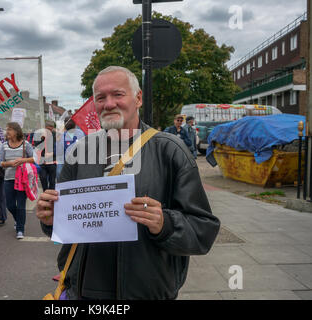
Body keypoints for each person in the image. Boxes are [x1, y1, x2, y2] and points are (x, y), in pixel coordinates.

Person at [36, 66, 220, 300]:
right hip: (82, 290)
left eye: (118, 94)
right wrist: (51, 219)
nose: (109, 103)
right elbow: (63, 225)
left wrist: (165, 223)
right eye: (100, 98)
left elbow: (203, 230)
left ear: (138, 98)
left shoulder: (170, 150)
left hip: (146, 291)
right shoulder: (80, 151)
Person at [0, 122, 34, 239]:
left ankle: (20, 229)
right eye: (6, 129)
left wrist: (22, 160)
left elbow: (35, 158)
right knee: (10, 205)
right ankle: (18, 219)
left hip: (22, 179)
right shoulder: (3, 145)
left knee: (21, 206)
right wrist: (9, 163)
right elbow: (1, 163)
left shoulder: (26, 144)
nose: (7, 132)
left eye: (9, 129)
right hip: (8, 179)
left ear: (16, 131)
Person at [35, 120, 57, 191]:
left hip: (52, 161)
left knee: (52, 181)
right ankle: (46, 195)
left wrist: (52, 153)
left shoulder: (55, 134)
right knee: (43, 179)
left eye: (51, 128)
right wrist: (42, 138)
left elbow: (59, 146)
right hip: (42, 161)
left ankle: (52, 199)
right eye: (48, 129)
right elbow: (36, 146)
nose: (50, 130)